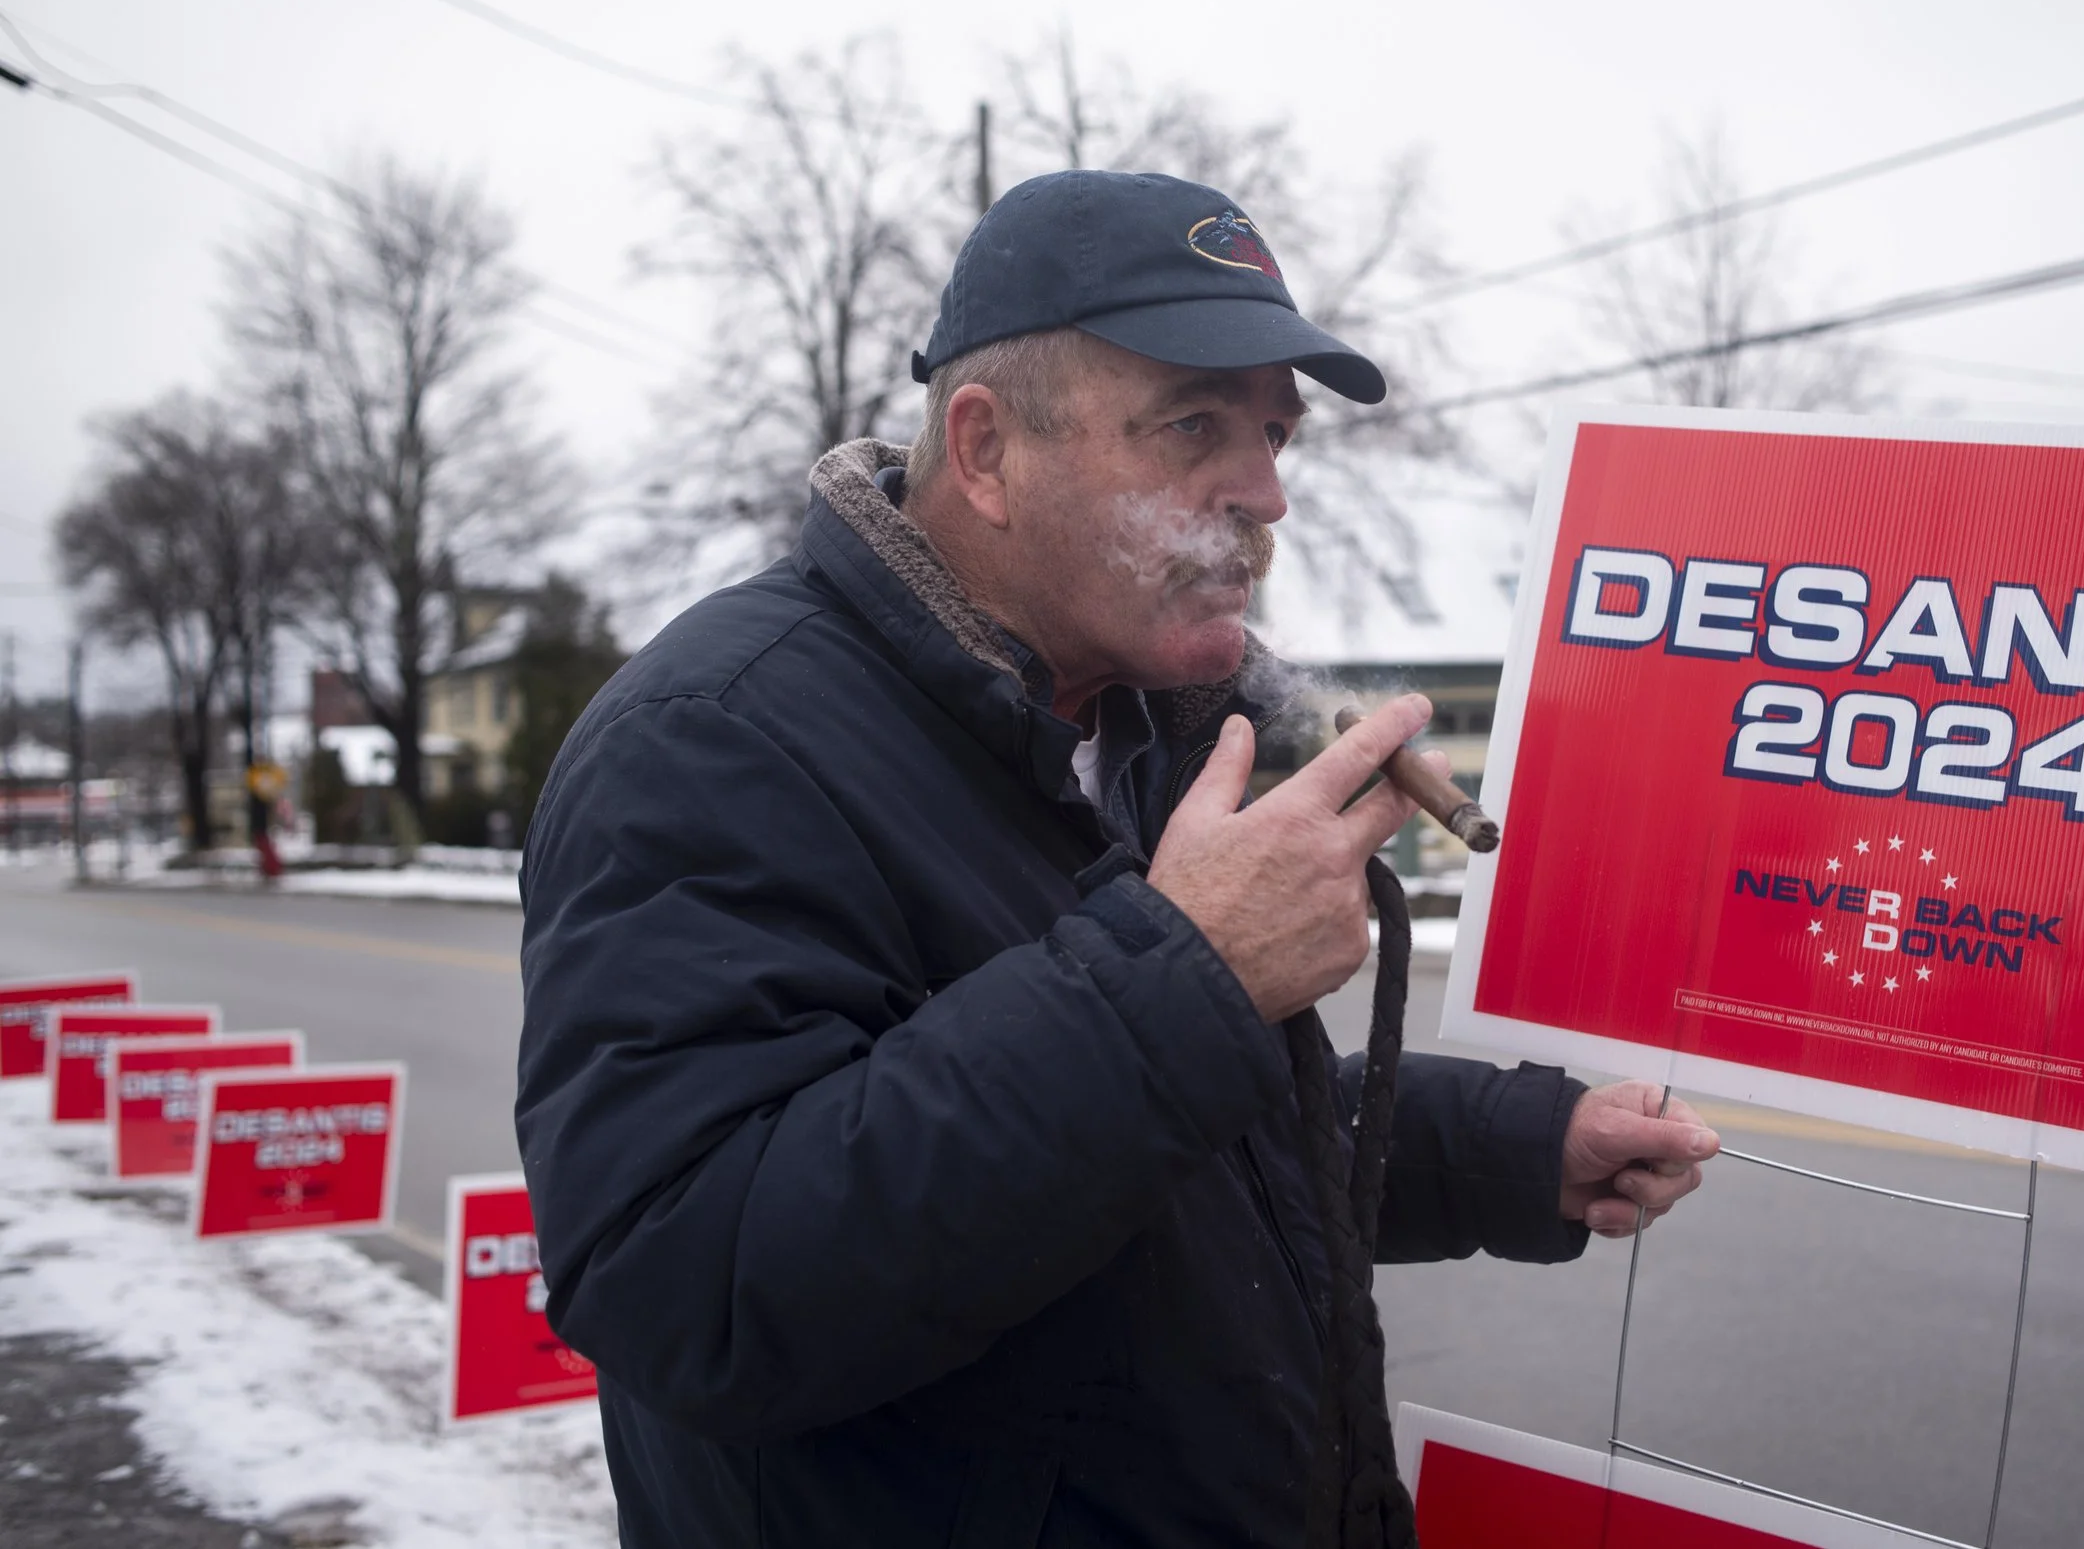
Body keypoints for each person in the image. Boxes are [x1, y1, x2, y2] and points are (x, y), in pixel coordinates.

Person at [515, 169, 1719, 1547]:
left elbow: (1192, 1155)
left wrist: (1513, 1146)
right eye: (1193, 425)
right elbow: (693, 1288)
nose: (1265, 493)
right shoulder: (713, 740)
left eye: (1276, 434)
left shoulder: (1138, 726)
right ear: (985, 452)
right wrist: (1188, 974)